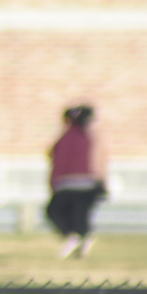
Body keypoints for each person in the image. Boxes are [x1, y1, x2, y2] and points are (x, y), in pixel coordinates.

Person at [46, 104, 108, 259]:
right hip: (89, 184)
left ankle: (73, 237)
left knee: (53, 211)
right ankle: (83, 239)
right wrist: (101, 182)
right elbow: (100, 161)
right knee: (80, 216)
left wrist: (53, 183)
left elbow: (58, 160)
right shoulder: (91, 137)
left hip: (68, 184)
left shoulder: (67, 138)